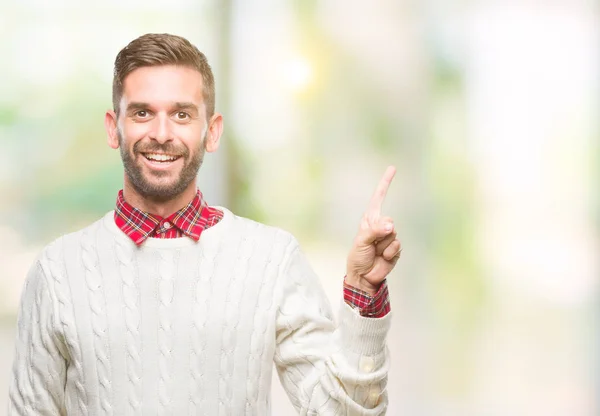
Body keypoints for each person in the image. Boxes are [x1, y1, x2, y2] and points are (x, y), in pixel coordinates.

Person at [8, 33, 401, 415]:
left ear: (211, 132)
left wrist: (362, 291)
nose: (161, 134)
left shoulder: (271, 259)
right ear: (115, 127)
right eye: (143, 113)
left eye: (182, 114)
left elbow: (341, 412)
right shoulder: (57, 271)